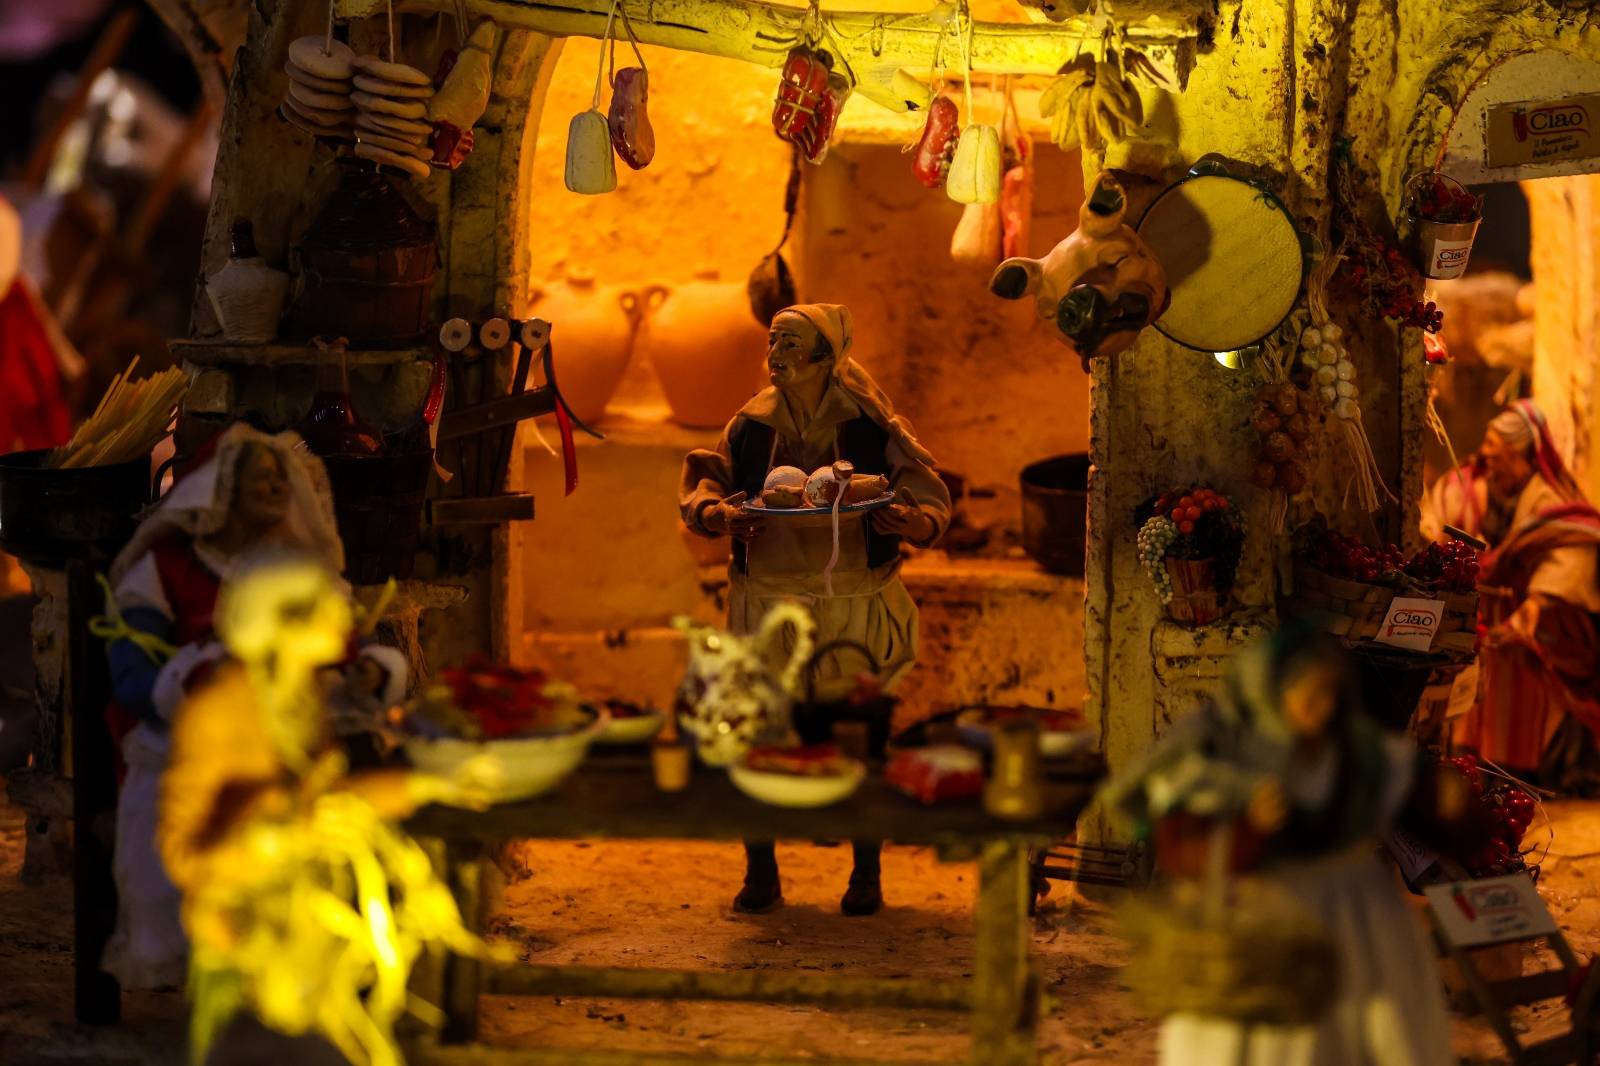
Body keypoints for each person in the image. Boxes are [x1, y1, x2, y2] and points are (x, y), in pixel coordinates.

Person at [99, 423, 405, 989]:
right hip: (190, 735)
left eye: (280, 481)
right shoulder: (165, 568)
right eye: (260, 480)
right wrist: (199, 683)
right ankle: (199, 951)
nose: (276, 490)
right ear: (219, 490)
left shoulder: (299, 568)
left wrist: (365, 671)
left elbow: (341, 647)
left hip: (301, 732)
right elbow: (133, 679)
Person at [680, 303, 951, 916]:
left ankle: (864, 872)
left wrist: (907, 519)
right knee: (760, 733)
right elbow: (707, 482)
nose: (775, 355)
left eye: (791, 344)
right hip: (768, 601)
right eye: (773, 342)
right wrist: (717, 513)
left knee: (859, 737)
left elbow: (927, 495)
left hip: (853, 598)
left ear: (829, 356)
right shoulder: (749, 426)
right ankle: (762, 870)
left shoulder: (871, 427)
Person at [1105, 626, 1455, 1066]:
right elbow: (1180, 848)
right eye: (1302, 691)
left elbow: (1421, 804)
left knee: (1362, 1033)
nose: (1316, 706)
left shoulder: (1361, 755)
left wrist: (1449, 810)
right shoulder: (1222, 758)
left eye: (1326, 693)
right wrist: (1247, 830)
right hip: (1260, 926)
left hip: (1357, 919)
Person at [1427, 401, 1600, 780]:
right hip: (1468, 620)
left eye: (1499, 452)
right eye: (1488, 449)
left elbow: (1571, 549)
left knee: (1515, 723)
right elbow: (1432, 530)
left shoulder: (1549, 505)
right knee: (1462, 716)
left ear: (1526, 455)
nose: (1489, 459)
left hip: (1522, 635)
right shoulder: (1463, 489)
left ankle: (1514, 790)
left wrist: (1536, 605)